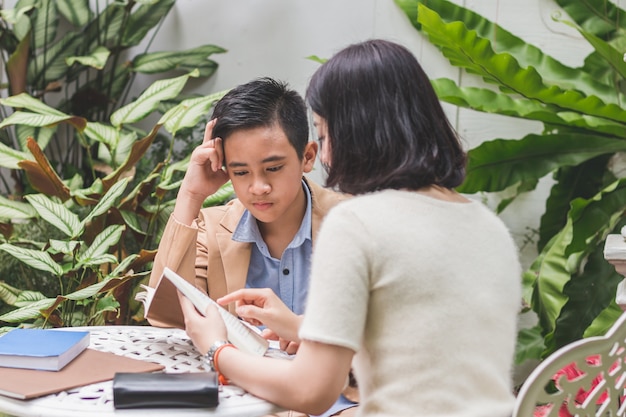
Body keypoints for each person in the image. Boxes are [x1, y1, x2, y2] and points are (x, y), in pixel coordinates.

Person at [179, 39, 522, 417]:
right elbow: (427, 351)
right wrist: (304, 327)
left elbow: (310, 392)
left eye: (325, 137)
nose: (325, 156)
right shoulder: (486, 223)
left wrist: (217, 349)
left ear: (357, 135)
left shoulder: (357, 224)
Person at [146, 77, 356, 416]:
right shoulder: (212, 228)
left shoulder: (350, 222)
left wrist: (312, 334)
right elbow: (163, 313)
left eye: (273, 168)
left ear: (307, 156)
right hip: (241, 405)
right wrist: (191, 195)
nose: (258, 187)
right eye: (240, 172)